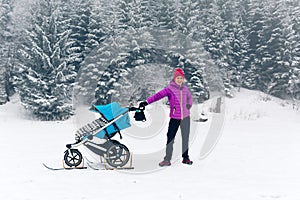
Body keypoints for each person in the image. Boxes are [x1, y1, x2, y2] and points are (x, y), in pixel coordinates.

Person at [139, 68, 193, 167]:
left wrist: (189, 105)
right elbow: (158, 96)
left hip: (185, 118)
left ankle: (185, 158)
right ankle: (167, 159)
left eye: (181, 78)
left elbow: (190, 98)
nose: (179, 80)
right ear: (174, 79)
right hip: (174, 118)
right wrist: (146, 102)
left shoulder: (185, 89)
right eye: (178, 78)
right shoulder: (170, 89)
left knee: (185, 138)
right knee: (170, 138)